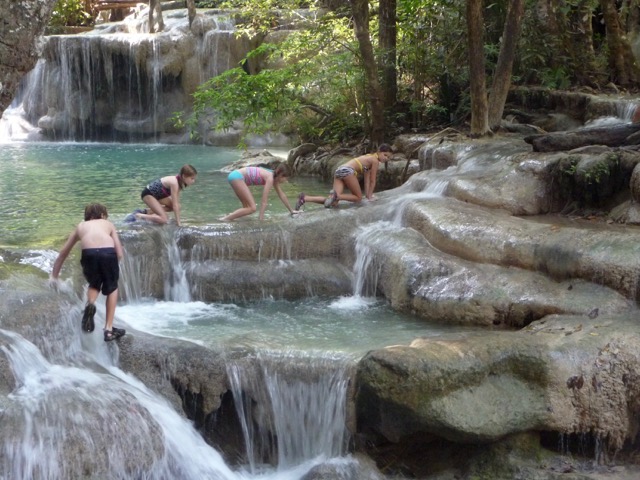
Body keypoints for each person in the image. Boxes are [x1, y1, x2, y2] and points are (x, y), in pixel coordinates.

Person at [50, 203, 125, 342]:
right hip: (108, 253)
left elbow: (63, 253)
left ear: (87, 216)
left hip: (89, 254)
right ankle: (108, 330)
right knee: (112, 287)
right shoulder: (107, 223)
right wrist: (114, 264)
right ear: (102, 215)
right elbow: (119, 252)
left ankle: (90, 304)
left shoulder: (80, 226)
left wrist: (54, 277)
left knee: (94, 284)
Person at [295, 144, 393, 210]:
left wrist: (368, 195)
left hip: (339, 170)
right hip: (347, 171)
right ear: (379, 152)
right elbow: (372, 180)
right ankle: (336, 196)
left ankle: (305, 198)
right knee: (358, 197)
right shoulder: (374, 160)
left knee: (333, 202)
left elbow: (367, 180)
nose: (386, 158)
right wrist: (370, 198)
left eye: (388, 157)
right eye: (385, 155)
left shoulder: (369, 158)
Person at [220, 163, 300, 221]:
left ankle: (231, 217)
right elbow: (264, 201)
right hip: (237, 177)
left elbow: (282, 195)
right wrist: (261, 220)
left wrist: (291, 210)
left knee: (246, 207)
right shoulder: (270, 178)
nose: (286, 181)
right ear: (280, 174)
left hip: (235, 176)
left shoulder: (274, 178)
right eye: (285, 178)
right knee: (252, 208)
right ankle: (225, 219)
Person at [133, 164, 198, 226]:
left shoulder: (179, 184)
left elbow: (176, 204)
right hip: (148, 194)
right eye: (192, 178)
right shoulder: (174, 183)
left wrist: (178, 220)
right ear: (184, 176)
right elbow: (175, 205)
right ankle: (138, 215)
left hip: (157, 195)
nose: (193, 181)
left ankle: (148, 211)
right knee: (164, 219)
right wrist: (179, 223)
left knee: (177, 206)